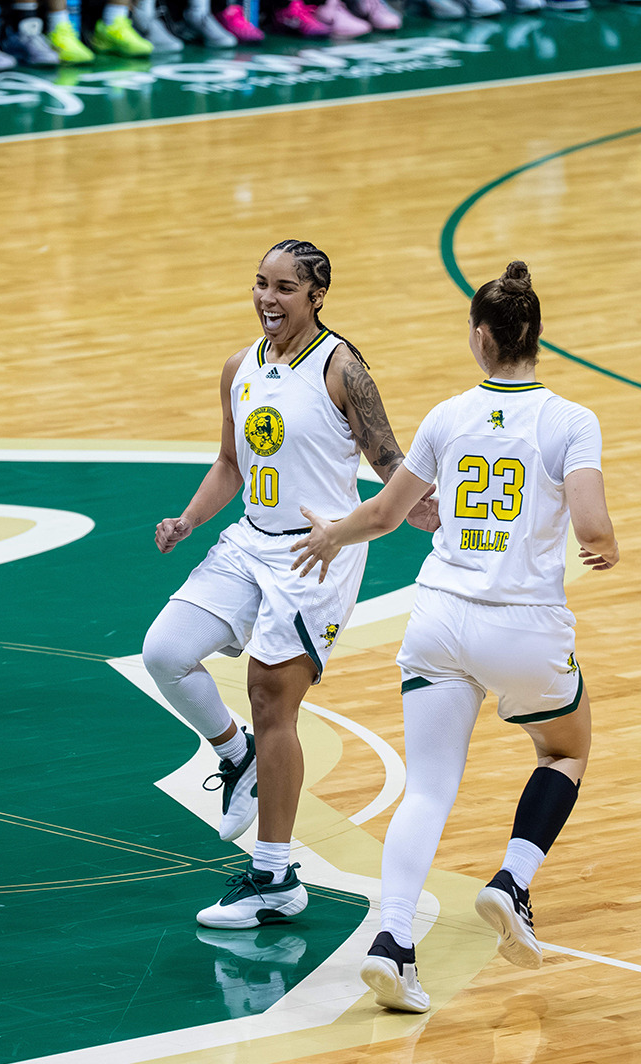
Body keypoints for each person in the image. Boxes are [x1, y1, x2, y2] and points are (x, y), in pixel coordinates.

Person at [290, 261, 619, 1012]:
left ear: (481, 338)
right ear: (536, 337)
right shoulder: (571, 420)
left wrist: (330, 536)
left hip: (438, 617)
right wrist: (605, 544)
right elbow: (593, 525)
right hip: (523, 625)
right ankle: (512, 881)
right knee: (565, 749)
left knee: (429, 788)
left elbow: (383, 514)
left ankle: (394, 942)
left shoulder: (446, 416)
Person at [145, 239, 438, 931]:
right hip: (247, 542)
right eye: (260, 285)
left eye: (283, 288)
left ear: (316, 296)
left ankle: (274, 877)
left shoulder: (342, 368)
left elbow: (387, 453)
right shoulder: (238, 367)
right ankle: (232, 751)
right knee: (164, 650)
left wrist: (417, 501)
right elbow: (228, 461)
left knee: (273, 698)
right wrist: (187, 520)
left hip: (317, 553)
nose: (267, 300)